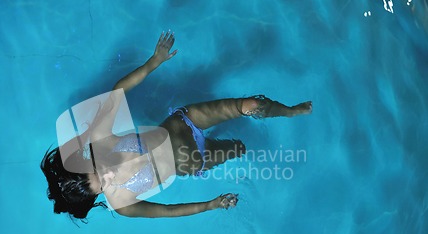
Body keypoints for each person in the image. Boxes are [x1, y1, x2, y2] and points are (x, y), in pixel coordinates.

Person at [40, 30, 312, 220]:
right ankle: (237, 142)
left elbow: (117, 91)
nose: (108, 175)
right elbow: (167, 211)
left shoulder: (100, 138)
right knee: (238, 148)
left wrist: (153, 62)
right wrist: (210, 205)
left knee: (251, 104)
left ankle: (288, 112)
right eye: (102, 185)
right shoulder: (122, 204)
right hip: (196, 161)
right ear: (97, 196)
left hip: (184, 122)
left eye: (98, 170)